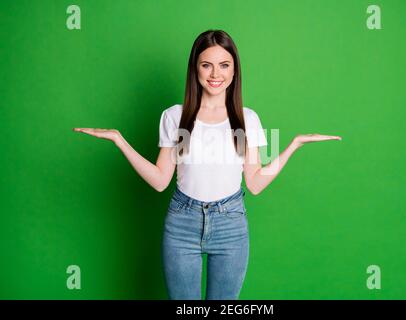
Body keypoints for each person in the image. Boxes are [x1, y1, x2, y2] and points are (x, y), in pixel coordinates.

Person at [73, 29, 342, 300]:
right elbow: (160, 180)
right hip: (182, 222)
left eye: (224, 65)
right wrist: (120, 141)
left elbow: (256, 182)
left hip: (230, 223)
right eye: (206, 65)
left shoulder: (247, 119)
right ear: (195, 69)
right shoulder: (175, 116)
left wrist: (294, 145)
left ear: (235, 71)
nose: (215, 74)